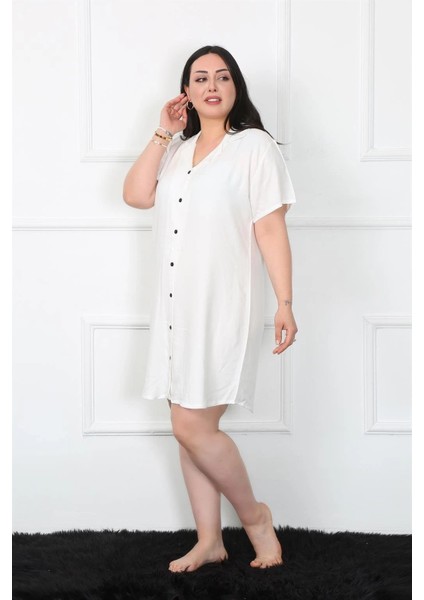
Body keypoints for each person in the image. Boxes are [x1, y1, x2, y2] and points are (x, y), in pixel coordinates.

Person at [123, 45, 298, 573]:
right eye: (200, 78)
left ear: (235, 87)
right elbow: (136, 195)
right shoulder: (178, 150)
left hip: (221, 305)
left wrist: (285, 302)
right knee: (186, 426)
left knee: (192, 426)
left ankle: (256, 518)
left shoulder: (254, 147)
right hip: (174, 307)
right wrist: (163, 131)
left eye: (222, 77)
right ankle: (209, 541)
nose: (212, 86)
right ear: (186, 92)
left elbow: (270, 229)